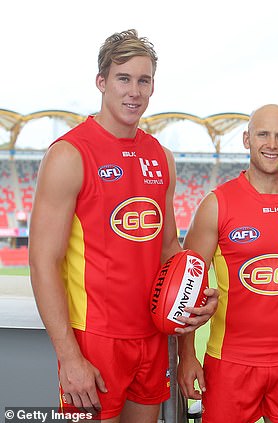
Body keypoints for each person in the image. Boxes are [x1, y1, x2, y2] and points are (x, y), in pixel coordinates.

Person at [29, 29, 216, 422]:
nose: (134, 91)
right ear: (101, 82)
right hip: (93, 340)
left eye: (143, 80)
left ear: (152, 87)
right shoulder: (69, 154)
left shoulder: (160, 157)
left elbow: (169, 249)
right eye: (123, 78)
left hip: (151, 336)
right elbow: (43, 261)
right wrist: (69, 356)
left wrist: (196, 297)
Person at [177, 104, 278, 423]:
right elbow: (186, 284)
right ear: (247, 139)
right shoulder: (216, 205)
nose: (272, 144)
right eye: (263, 134)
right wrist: (187, 354)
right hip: (229, 363)